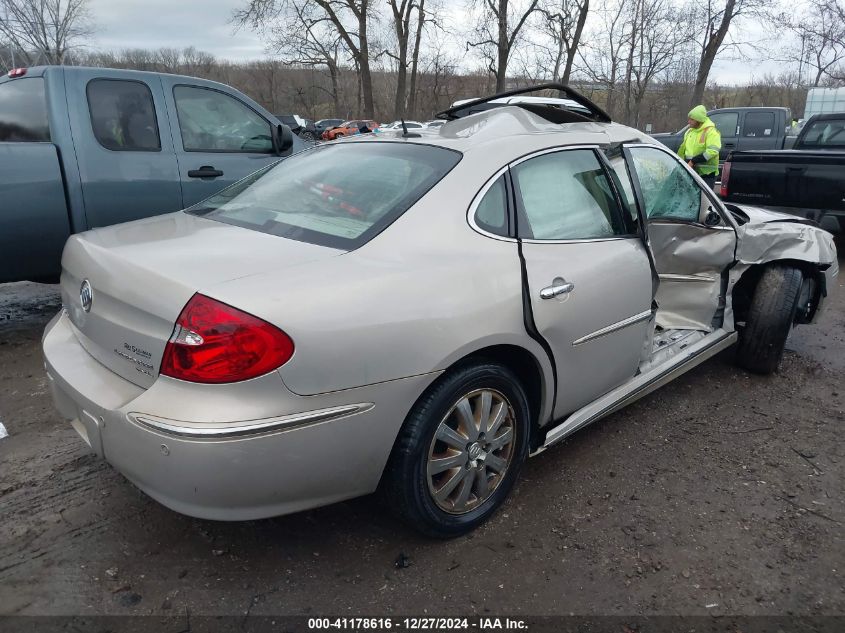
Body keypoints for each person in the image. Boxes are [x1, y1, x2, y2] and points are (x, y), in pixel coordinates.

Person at [677, 105, 721, 188]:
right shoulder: (689, 132)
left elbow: (712, 151)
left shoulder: (711, 132)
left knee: (704, 199)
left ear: (699, 120)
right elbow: (683, 150)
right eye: (689, 119)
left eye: (692, 119)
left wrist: (693, 161)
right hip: (691, 171)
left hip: (707, 174)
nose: (689, 121)